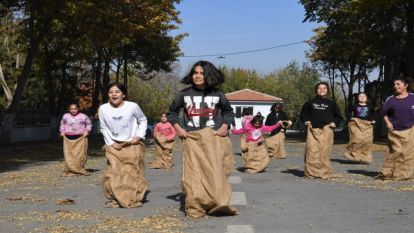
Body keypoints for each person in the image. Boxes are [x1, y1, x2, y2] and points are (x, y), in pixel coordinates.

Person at [167, 60, 236, 218]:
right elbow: (171, 113)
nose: (197, 76)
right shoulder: (183, 94)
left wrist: (225, 126)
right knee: (194, 173)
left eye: (201, 73)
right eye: (195, 73)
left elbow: (228, 112)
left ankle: (217, 201)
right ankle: (195, 205)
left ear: (209, 75)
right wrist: (178, 128)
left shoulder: (218, 94)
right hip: (193, 139)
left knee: (215, 171)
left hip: (214, 139)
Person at [99, 82, 148, 208]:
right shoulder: (103, 109)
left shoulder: (132, 106)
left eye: (117, 92)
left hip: (132, 144)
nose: (114, 94)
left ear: (123, 94)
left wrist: (139, 135)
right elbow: (103, 127)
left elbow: (142, 120)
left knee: (132, 173)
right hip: (114, 145)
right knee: (113, 173)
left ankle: (134, 198)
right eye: (111, 92)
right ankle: (114, 198)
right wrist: (111, 142)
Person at [299, 82, 342, 179]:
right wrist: (306, 121)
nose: (322, 90)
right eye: (319, 88)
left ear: (327, 90)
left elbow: (338, 116)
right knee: (312, 150)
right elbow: (303, 114)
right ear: (316, 90)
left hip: (327, 129)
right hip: (313, 130)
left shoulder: (331, 103)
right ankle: (311, 172)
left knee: (324, 151)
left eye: (324, 88)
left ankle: (323, 171)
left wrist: (335, 122)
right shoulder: (310, 103)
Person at [377, 76, 414, 180]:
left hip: (411, 130)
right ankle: (388, 172)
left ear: (405, 85)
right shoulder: (391, 99)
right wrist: (388, 122)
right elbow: (383, 113)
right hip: (395, 131)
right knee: (396, 151)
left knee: (408, 153)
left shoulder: (412, 97)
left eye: (398, 84)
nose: (395, 86)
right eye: (394, 84)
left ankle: (404, 174)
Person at [59, 102, 92, 176]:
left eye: (75, 109)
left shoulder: (83, 116)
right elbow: (62, 124)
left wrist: (87, 131)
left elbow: (89, 124)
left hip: (80, 137)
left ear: (78, 109)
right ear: (69, 109)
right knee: (69, 155)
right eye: (71, 109)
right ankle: (71, 169)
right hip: (68, 138)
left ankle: (79, 168)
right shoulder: (65, 116)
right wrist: (62, 131)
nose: (73, 110)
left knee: (79, 154)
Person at [344, 92, 376, 164]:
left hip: (367, 125)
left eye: (364, 96)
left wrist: (373, 119)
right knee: (357, 139)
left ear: (367, 98)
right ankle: (353, 155)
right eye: (360, 96)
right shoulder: (354, 105)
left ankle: (365, 157)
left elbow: (373, 113)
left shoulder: (370, 106)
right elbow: (347, 111)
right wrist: (351, 117)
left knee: (367, 141)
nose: (362, 97)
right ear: (357, 98)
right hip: (357, 124)